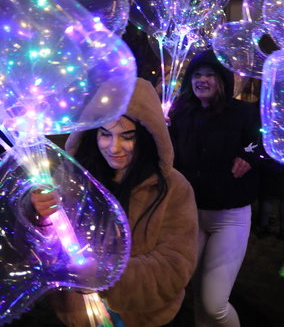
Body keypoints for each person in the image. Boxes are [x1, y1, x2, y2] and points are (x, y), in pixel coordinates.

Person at [31, 78, 199, 327]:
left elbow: (175, 266)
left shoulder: (173, 187)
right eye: (105, 134)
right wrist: (36, 213)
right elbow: (44, 244)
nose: (114, 147)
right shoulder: (71, 178)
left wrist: (109, 276)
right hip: (80, 316)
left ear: (147, 136)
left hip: (144, 317)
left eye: (127, 136)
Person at [168, 50, 260, 327]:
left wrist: (251, 155)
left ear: (222, 80)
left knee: (215, 303)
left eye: (209, 75)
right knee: (196, 293)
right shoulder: (180, 112)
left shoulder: (242, 113)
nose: (202, 80)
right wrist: (161, 132)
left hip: (229, 217)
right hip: (190, 215)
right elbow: (165, 155)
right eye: (197, 75)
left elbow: (265, 143)